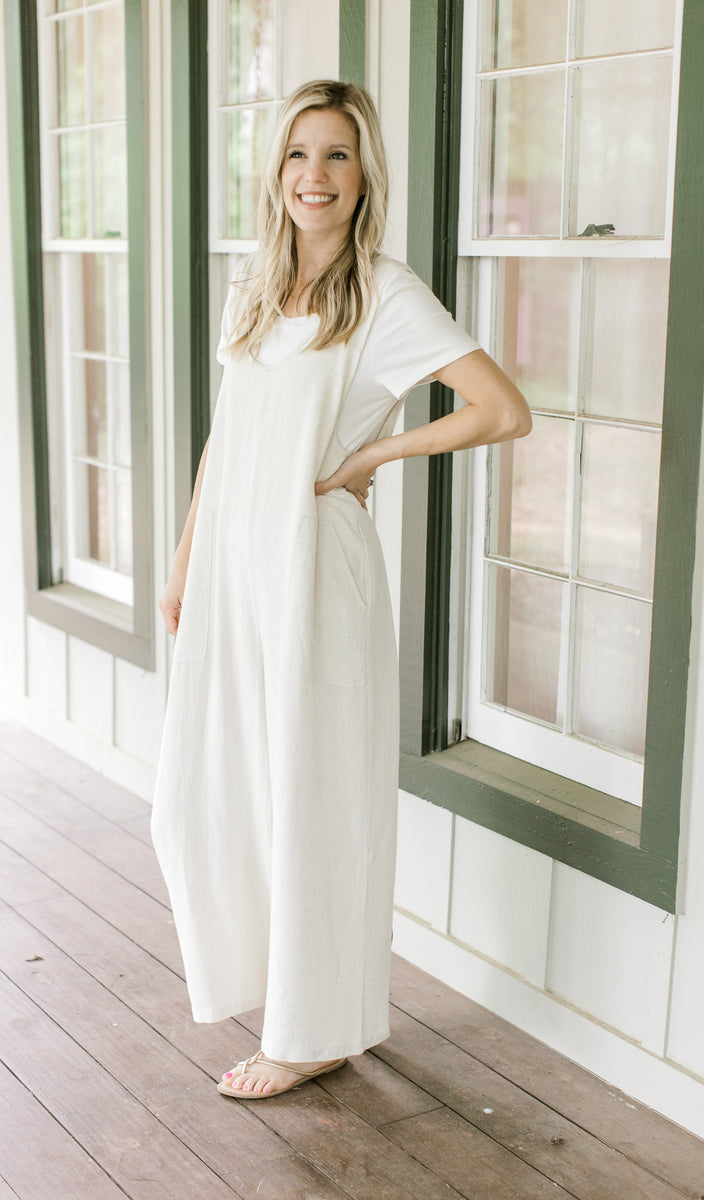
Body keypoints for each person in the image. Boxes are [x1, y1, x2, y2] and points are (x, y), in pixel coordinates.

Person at [151, 79, 530, 1101]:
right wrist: (187, 560)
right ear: (274, 173)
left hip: (317, 571)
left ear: (363, 178)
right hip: (235, 566)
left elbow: (500, 410)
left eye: (336, 157)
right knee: (207, 793)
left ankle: (312, 1031)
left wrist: (373, 452)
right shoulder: (253, 284)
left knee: (315, 797)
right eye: (296, 155)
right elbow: (226, 438)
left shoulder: (385, 295)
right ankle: (276, 989)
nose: (312, 177)